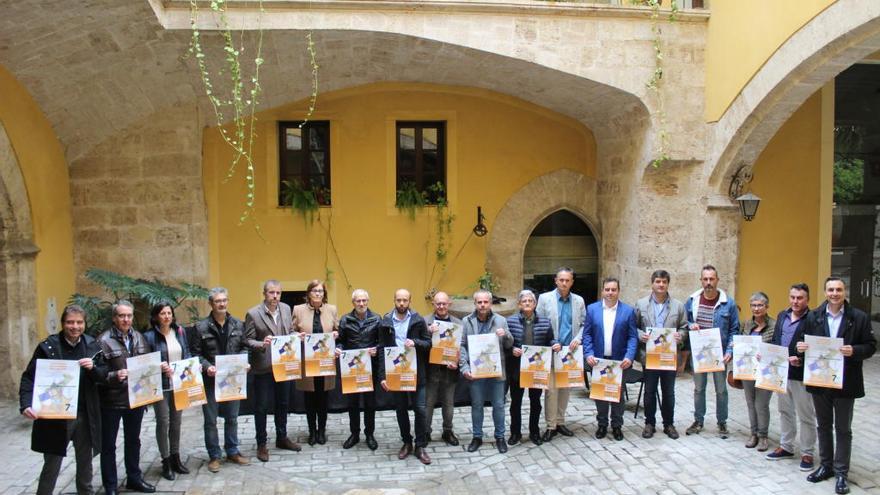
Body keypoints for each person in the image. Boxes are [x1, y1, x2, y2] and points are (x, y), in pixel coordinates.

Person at [796, 277, 876, 495]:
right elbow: (802, 342)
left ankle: (841, 473)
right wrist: (801, 347)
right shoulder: (813, 316)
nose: (834, 293)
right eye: (830, 289)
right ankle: (826, 466)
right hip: (820, 380)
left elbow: (870, 347)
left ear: (844, 292)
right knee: (823, 425)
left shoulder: (858, 317)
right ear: (825, 292)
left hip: (846, 381)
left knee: (843, 429)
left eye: (838, 290)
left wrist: (855, 351)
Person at [19, 304, 106, 495]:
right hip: (55, 417)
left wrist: (94, 368)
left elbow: (103, 376)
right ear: (62, 323)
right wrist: (25, 404)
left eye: (79, 322)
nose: (75, 326)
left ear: (84, 324)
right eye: (70, 322)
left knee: (85, 463)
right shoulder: (48, 346)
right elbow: (29, 377)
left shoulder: (92, 345)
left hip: (84, 415)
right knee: (52, 464)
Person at [97, 300, 155, 494]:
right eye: (121, 316)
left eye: (129, 316)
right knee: (108, 445)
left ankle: (134, 478)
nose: (126, 319)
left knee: (134, 440)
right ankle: (111, 486)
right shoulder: (103, 340)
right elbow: (97, 373)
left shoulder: (139, 337)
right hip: (112, 401)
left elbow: (146, 365)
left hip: (135, 399)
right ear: (114, 318)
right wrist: (114, 376)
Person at [190, 287, 251, 473]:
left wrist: (244, 362)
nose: (222, 304)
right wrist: (207, 366)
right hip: (210, 381)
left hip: (232, 380)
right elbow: (195, 354)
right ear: (211, 304)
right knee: (211, 420)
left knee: (232, 418)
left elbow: (245, 347)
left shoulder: (237, 324)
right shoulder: (201, 327)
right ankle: (214, 456)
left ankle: (232, 450)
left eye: (224, 300)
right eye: (218, 301)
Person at [244, 280, 300, 462]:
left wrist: (296, 336)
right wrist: (262, 343)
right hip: (263, 367)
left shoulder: (285, 308)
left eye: (278, 293)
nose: (275, 296)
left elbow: (289, 331)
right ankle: (261, 443)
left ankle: (282, 437)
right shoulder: (253, 313)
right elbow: (247, 340)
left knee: (282, 403)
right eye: (271, 293)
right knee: (261, 406)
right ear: (264, 294)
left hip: (283, 365)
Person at [684, 264, 739, 438]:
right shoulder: (692, 301)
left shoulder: (728, 303)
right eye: (705, 279)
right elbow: (685, 323)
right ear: (701, 280)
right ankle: (698, 420)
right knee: (699, 389)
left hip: (719, 354)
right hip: (699, 353)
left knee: (721, 390)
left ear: (717, 280)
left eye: (711, 279)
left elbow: (734, 329)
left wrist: (730, 350)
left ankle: (722, 422)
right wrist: (691, 325)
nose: (708, 282)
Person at [766, 283, 816, 471]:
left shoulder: (813, 319)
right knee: (785, 411)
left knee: (806, 415)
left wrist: (801, 359)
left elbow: (816, 347)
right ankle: (786, 446)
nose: (795, 301)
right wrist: (767, 355)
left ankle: (807, 453)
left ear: (807, 299)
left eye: (800, 298)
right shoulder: (782, 315)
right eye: (793, 297)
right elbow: (775, 341)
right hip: (781, 372)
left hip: (800, 374)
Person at [378, 289, 432, 464]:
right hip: (395, 373)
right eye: (399, 300)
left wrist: (415, 343)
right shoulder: (385, 322)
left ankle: (420, 446)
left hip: (417, 373)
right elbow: (381, 350)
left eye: (405, 300)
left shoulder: (418, 320)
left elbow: (428, 343)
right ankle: (407, 442)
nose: (402, 303)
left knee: (420, 409)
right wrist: (382, 376)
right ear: (394, 300)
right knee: (401, 410)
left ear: (410, 301)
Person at [634, 269, 688, 439]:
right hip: (649, 355)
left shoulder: (678, 306)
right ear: (652, 283)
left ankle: (669, 424)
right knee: (649, 391)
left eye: (664, 282)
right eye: (658, 281)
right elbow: (633, 327)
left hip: (668, 356)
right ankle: (649, 423)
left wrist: (681, 336)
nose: (661, 285)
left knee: (668, 391)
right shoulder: (641, 304)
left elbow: (684, 327)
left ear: (668, 284)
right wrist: (639, 335)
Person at [583, 277, 638, 441]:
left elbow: (633, 337)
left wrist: (629, 356)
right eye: (607, 289)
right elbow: (587, 335)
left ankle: (616, 425)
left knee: (617, 395)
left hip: (619, 362)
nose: (610, 293)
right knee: (600, 394)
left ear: (618, 291)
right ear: (602, 291)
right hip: (598, 360)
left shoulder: (628, 311)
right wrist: (588, 354)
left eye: (613, 290)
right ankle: (601, 425)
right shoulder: (592, 309)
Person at [142, 302, 192, 480]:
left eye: (169, 313)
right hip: (161, 385)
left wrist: (190, 368)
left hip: (179, 383)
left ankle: (175, 457)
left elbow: (185, 352)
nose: (166, 316)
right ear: (156, 316)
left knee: (176, 422)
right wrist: (158, 365)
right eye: (162, 313)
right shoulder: (148, 337)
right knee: (163, 422)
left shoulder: (179, 332)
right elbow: (145, 362)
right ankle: (165, 461)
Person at [535, 267, 586, 442]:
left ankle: (560, 421)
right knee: (551, 390)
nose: (564, 283)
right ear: (555, 280)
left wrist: (578, 339)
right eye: (561, 280)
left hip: (570, 352)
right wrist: (550, 342)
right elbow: (539, 324)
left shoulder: (579, 301)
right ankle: (550, 426)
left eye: (568, 280)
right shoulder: (544, 299)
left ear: (572, 282)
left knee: (565, 389)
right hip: (551, 351)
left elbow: (585, 324)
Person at [460, 289, 513, 453]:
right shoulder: (466, 321)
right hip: (476, 371)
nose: (482, 305)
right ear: (475, 303)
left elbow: (509, 345)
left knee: (499, 405)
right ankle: (477, 437)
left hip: (496, 371)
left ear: (490, 303)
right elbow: (461, 345)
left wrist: (505, 335)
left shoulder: (501, 320)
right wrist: (464, 367)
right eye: (479, 302)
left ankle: (500, 437)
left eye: (485, 302)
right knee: (477, 405)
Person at [293, 279, 339, 446]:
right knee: (309, 398)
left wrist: (335, 334)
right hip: (307, 361)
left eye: (320, 291)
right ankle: (312, 431)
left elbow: (337, 330)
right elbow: (291, 331)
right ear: (309, 293)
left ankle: (322, 430)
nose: (318, 294)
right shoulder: (298, 310)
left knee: (323, 397)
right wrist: (297, 336)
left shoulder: (332, 310)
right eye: (315, 291)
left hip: (325, 361)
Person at [506, 289, 554, 446]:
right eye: (524, 301)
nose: (527, 303)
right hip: (516, 369)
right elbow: (505, 344)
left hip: (536, 370)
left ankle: (534, 432)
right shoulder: (510, 321)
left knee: (536, 402)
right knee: (516, 403)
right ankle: (515, 433)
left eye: (530, 301)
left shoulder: (545, 322)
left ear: (535, 304)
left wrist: (556, 344)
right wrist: (512, 349)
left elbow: (550, 341)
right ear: (519, 304)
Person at [336, 289, 381, 451]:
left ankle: (370, 434)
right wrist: (338, 349)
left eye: (364, 301)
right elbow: (340, 341)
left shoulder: (377, 319)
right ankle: (354, 434)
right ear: (353, 303)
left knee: (370, 403)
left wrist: (376, 348)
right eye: (358, 301)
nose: (361, 304)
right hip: (351, 368)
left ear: (368, 301)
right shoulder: (345, 320)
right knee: (352, 403)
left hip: (370, 369)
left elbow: (381, 342)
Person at [424, 291, 463, 446]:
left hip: (450, 369)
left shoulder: (458, 323)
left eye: (444, 303)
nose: (441, 306)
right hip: (431, 369)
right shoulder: (425, 321)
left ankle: (448, 431)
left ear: (449, 304)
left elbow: (462, 346)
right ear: (433, 304)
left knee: (448, 403)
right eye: (438, 303)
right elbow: (419, 343)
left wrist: (457, 361)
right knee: (428, 403)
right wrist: (427, 332)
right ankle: (425, 432)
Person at [739, 292, 776, 452]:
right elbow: (740, 342)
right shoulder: (746, 324)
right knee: (750, 403)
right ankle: (753, 433)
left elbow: (777, 347)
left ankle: (763, 436)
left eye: (760, 305)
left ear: (766, 307)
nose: (756, 308)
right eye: (753, 305)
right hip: (748, 370)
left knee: (761, 404)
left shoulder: (775, 325)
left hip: (766, 371)